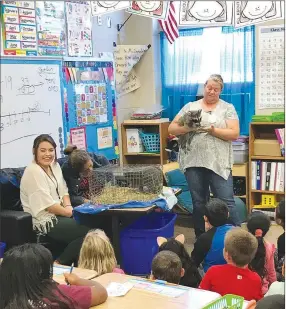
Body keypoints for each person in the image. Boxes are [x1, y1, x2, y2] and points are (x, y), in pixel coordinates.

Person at [168, 74, 240, 237]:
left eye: (216, 89)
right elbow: (171, 129)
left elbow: (234, 133)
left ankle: (235, 239)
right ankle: (202, 238)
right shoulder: (190, 106)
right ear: (204, 87)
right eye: (209, 88)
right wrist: (188, 128)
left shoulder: (227, 108)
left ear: (221, 91)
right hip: (193, 162)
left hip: (218, 163)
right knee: (199, 202)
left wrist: (214, 131)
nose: (212, 91)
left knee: (226, 200)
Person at [20, 134, 90, 265]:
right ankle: (58, 264)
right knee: (89, 233)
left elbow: (64, 190)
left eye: (51, 150)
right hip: (45, 219)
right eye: (43, 150)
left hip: (61, 212)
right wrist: (68, 212)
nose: (47, 154)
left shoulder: (55, 166)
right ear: (34, 151)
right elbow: (48, 205)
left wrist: (69, 207)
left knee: (94, 224)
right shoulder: (33, 171)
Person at [0, 243, 107, 309]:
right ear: (44, 273)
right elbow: (101, 292)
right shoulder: (56, 294)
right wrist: (77, 281)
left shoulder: (6, 296)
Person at [199, 228, 263, 301]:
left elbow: (201, 295)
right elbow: (258, 303)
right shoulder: (255, 279)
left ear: (227, 254)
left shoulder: (213, 271)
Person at [191, 198, 233, 273]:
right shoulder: (238, 232)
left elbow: (193, 263)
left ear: (205, 218)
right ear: (228, 214)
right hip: (235, 275)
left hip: (212, 278)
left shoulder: (204, 238)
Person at [247, 211, 276, 295]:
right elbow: (271, 272)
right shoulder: (270, 247)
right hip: (263, 291)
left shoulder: (242, 246)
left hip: (244, 289)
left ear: (248, 228)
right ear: (266, 230)